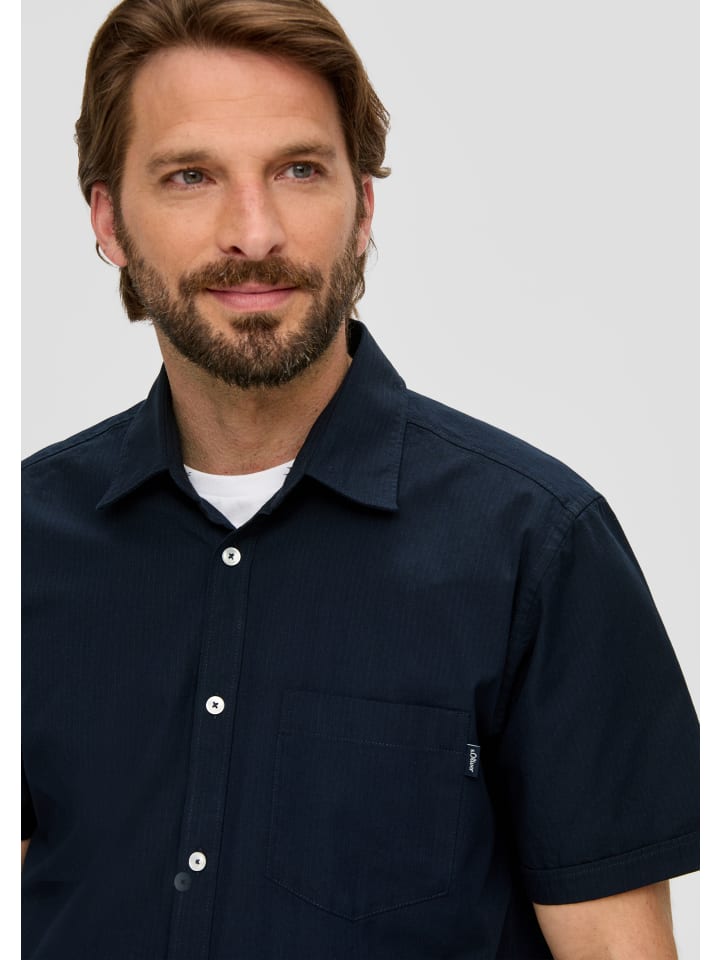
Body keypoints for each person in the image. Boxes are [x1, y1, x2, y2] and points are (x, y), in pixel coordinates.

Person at [21, 0, 699, 957]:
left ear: (364, 207)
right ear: (109, 221)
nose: (253, 232)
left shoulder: (538, 550)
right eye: (190, 176)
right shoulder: (24, 543)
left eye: (299, 169)